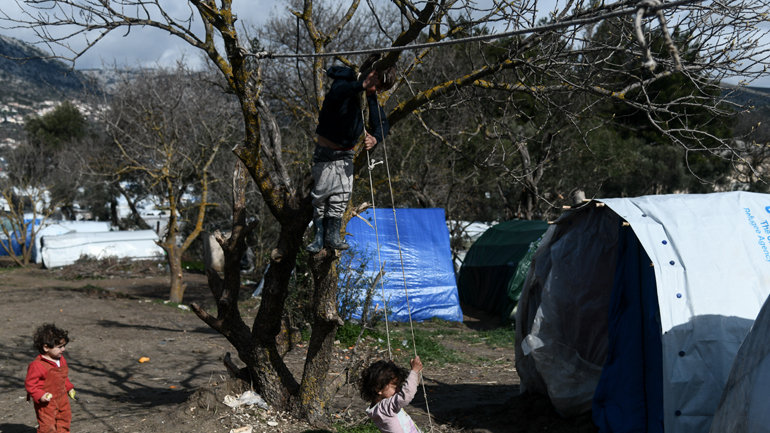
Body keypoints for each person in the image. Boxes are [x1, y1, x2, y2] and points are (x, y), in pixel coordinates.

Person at [307, 53, 397, 253]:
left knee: (341, 195)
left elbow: (381, 122)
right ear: (371, 75)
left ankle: (332, 235)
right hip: (326, 153)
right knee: (321, 194)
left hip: (345, 154)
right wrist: (362, 84)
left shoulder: (369, 98)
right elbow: (337, 93)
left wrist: (375, 138)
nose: (378, 91)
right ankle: (319, 236)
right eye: (378, 85)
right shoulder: (346, 79)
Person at [25, 324, 76, 433]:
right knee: (47, 424)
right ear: (46, 347)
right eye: (59, 347)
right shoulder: (37, 365)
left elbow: (63, 377)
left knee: (65, 418)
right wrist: (40, 395)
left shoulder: (61, 359)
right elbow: (30, 385)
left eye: (64, 345)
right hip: (46, 401)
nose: (63, 349)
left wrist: (69, 388)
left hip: (62, 397)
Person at [359, 356, 423, 433]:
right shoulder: (385, 408)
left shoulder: (379, 408)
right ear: (378, 388)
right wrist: (414, 371)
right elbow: (407, 394)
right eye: (394, 387)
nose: (398, 391)